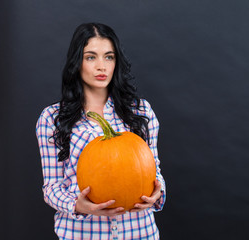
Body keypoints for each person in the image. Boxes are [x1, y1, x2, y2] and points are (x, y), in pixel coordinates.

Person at [36, 23, 166, 240]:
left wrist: (157, 192)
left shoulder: (140, 111)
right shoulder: (52, 118)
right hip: (81, 235)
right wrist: (78, 205)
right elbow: (51, 187)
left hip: (140, 233)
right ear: (76, 62)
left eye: (109, 57)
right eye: (90, 57)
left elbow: (154, 170)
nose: (101, 66)